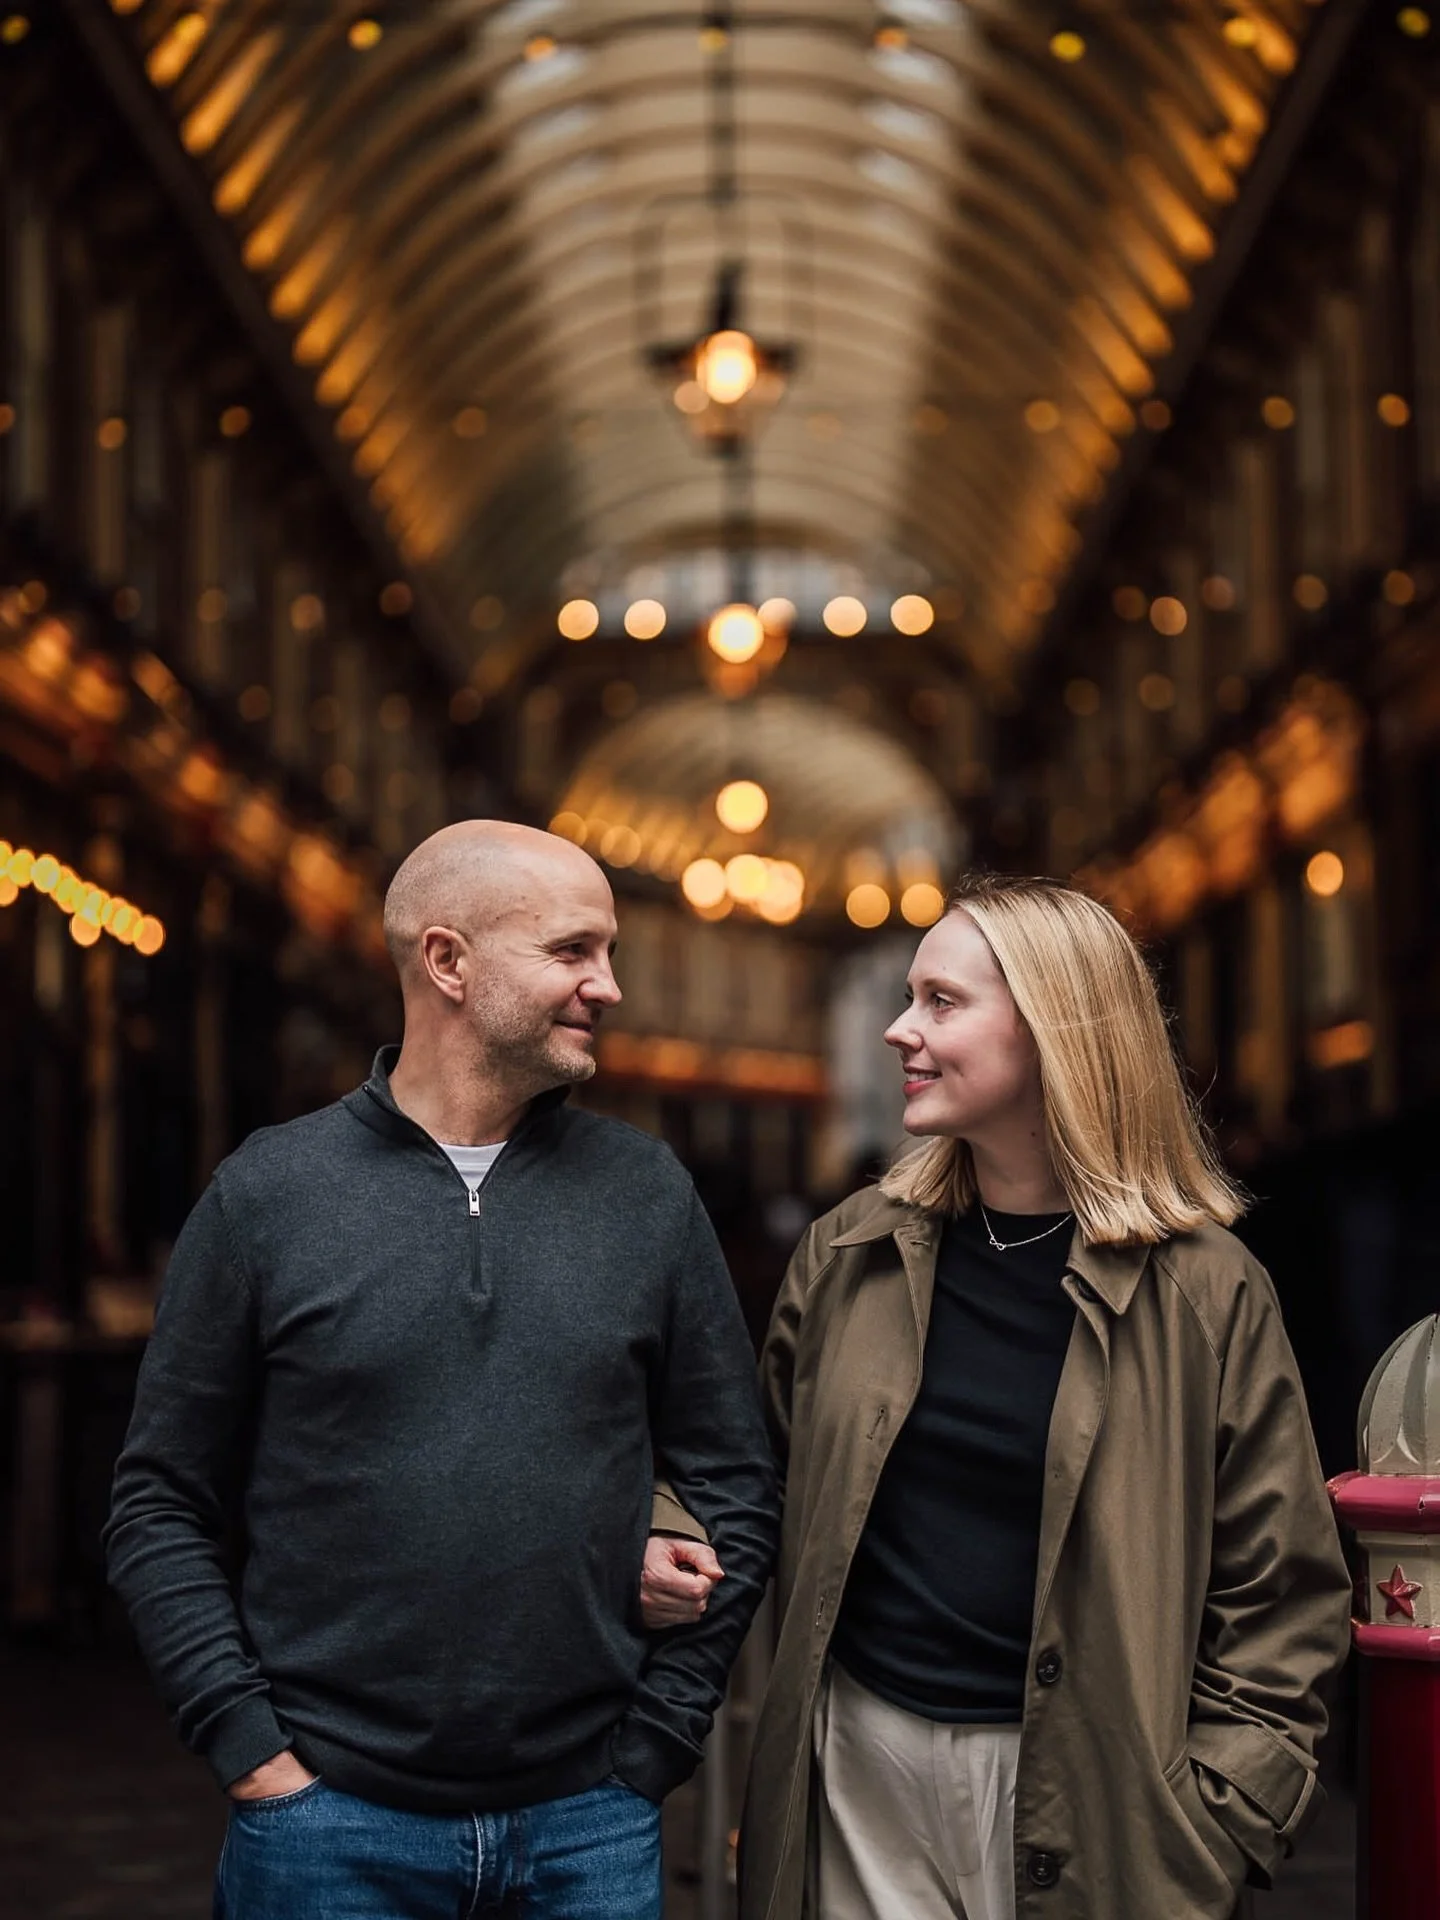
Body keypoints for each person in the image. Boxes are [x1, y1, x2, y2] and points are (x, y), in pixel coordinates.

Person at [642, 872, 1352, 1920]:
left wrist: (1217, 1818)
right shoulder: (850, 1253)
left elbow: (1282, 1593)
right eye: (907, 997)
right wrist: (665, 1526)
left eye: (941, 1001)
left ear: (1058, 1029)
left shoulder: (1207, 1292)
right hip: (860, 1772)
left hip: (1098, 1796)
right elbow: (748, 1475)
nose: (898, 1030)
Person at [105, 820, 778, 1920]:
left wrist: (659, 1742)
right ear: (448, 961)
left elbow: (737, 1481)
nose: (607, 986)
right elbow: (158, 1500)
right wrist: (251, 1751)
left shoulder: (646, 1193)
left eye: (608, 953)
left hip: (590, 1826)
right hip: (326, 1832)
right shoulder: (269, 1194)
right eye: (572, 951)